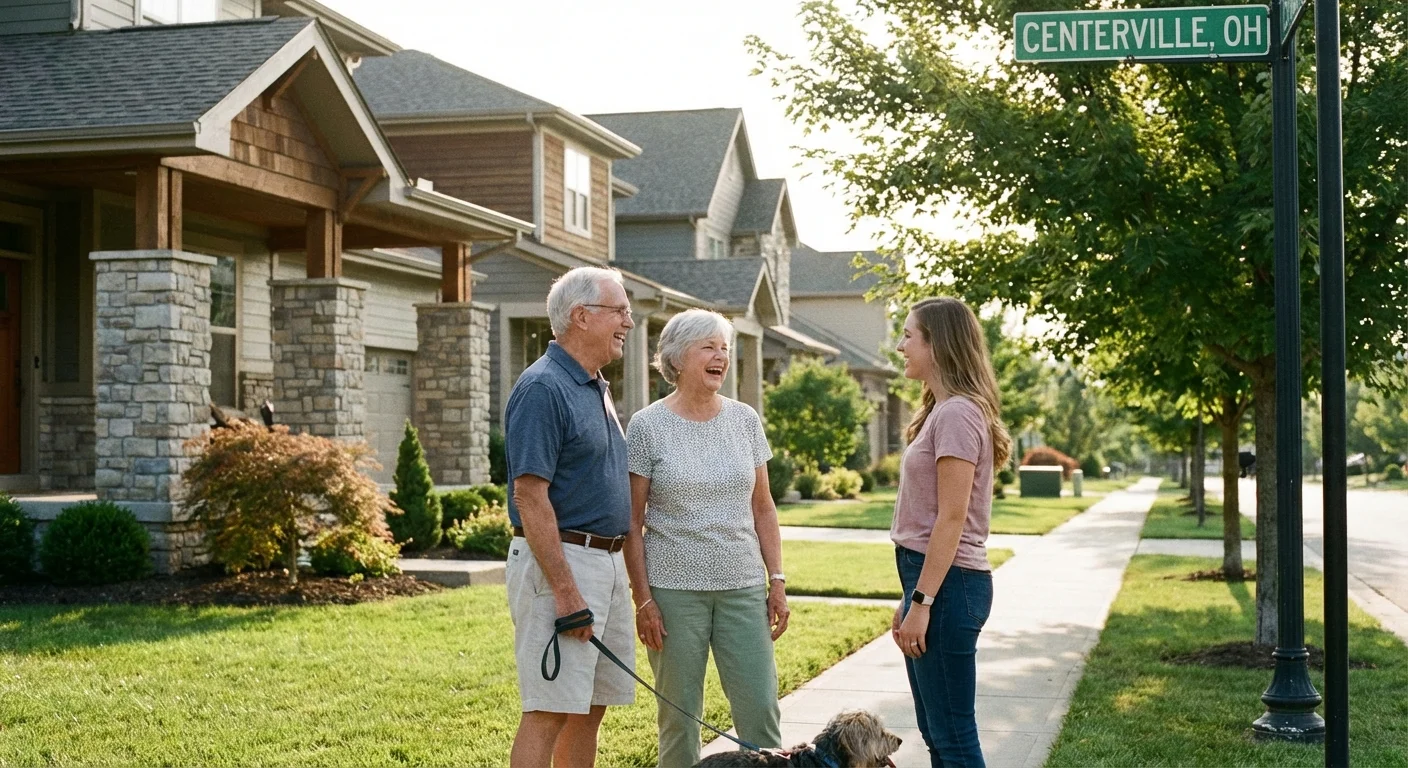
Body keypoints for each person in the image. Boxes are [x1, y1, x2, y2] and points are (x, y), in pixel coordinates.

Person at [623, 308, 789, 768]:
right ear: (677, 358)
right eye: (709, 347)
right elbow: (631, 522)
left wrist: (776, 580)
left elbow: (763, 507)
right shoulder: (647, 425)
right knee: (679, 720)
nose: (721, 357)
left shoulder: (744, 420)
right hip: (674, 593)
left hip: (743, 587)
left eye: (725, 349)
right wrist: (643, 600)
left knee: (760, 714)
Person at [504, 266, 638, 768]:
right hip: (563, 562)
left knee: (588, 707)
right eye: (619, 311)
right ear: (581, 316)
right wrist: (565, 591)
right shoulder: (543, 388)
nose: (628, 320)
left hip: (603, 562)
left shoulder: (592, 384)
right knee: (549, 708)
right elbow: (529, 496)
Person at [890, 297, 1012, 768]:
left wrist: (921, 602)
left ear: (936, 345)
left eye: (908, 335)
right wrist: (910, 597)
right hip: (933, 581)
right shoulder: (940, 412)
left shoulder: (958, 414)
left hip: (949, 586)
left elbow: (952, 518)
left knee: (954, 737)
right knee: (938, 735)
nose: (900, 346)